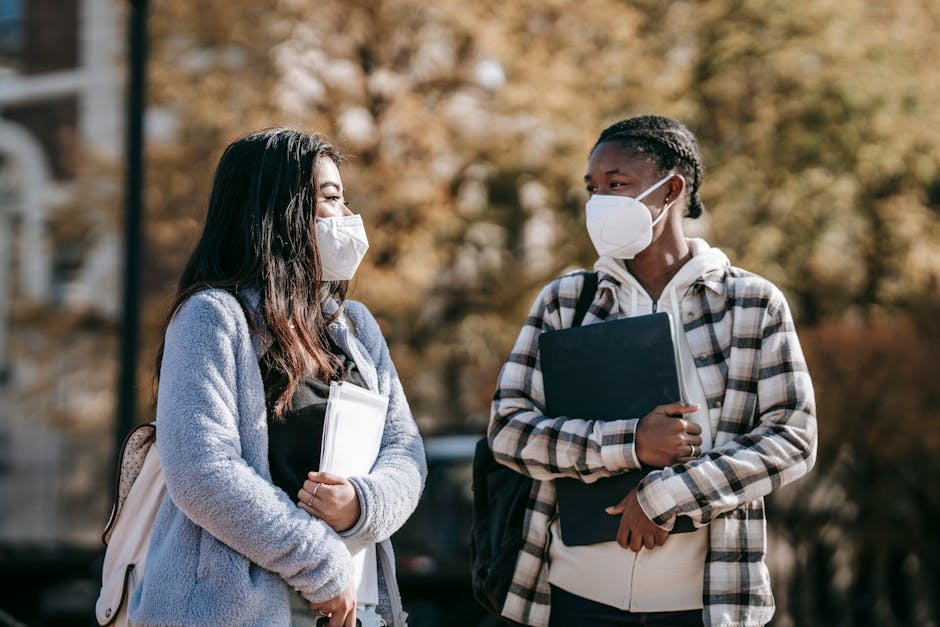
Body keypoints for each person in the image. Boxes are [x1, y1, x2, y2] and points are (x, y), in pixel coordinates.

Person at [488, 114, 817, 626]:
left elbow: (792, 437)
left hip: (703, 605)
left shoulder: (752, 304)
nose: (599, 201)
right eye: (592, 188)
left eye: (616, 184)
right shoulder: (565, 301)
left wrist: (665, 496)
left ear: (671, 190)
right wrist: (632, 443)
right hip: (572, 599)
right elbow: (508, 430)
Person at [129, 128, 427, 627]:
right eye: (330, 198)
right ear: (280, 211)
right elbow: (203, 471)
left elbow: (405, 450)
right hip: (235, 610)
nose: (348, 215)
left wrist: (362, 504)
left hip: (357, 604)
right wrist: (322, 567)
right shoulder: (211, 318)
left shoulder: (356, 327)